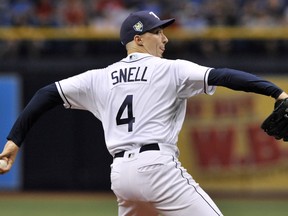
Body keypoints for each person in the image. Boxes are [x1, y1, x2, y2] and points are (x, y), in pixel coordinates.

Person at [0, 10, 287, 216]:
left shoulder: (99, 77)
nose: (165, 39)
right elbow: (224, 76)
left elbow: (45, 94)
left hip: (122, 175)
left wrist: (14, 142)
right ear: (138, 39)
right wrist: (277, 92)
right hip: (158, 167)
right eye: (158, 32)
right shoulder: (171, 69)